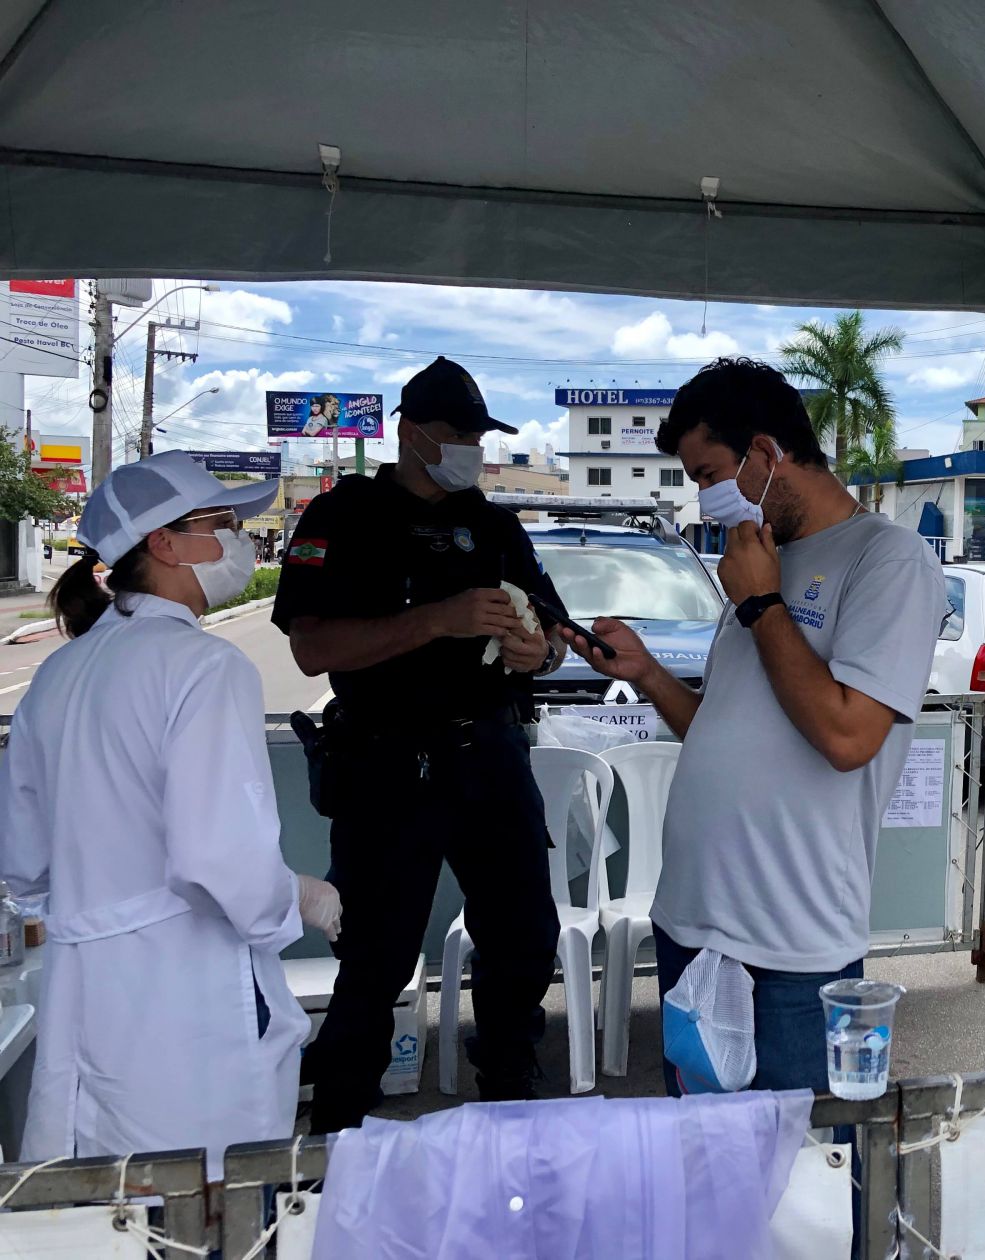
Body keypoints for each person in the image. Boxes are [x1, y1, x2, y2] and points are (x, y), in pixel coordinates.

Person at [561, 357, 946, 1095]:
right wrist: (648, 672)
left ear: (766, 454)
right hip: (692, 924)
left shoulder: (887, 560)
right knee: (702, 1142)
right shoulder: (759, 559)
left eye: (709, 475)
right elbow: (721, 726)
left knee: (797, 1152)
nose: (705, 500)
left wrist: (763, 604)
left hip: (791, 944)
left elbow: (848, 738)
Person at [0, 450, 342, 1179]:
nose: (238, 540)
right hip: (187, 998)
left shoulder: (59, 672)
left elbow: (24, 867)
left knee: (101, 1204)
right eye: (222, 524)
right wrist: (302, 898)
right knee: (207, 1198)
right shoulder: (204, 666)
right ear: (163, 543)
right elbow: (219, 861)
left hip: (80, 990)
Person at [273, 356, 570, 1131]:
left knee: (524, 941)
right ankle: (342, 1133)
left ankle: (510, 1106)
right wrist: (438, 620)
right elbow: (311, 648)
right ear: (410, 432)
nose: (470, 446)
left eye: (478, 434)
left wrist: (538, 652)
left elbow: (553, 631)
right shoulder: (341, 518)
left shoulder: (495, 526)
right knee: (374, 957)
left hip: (489, 754)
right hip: (385, 762)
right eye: (456, 432)